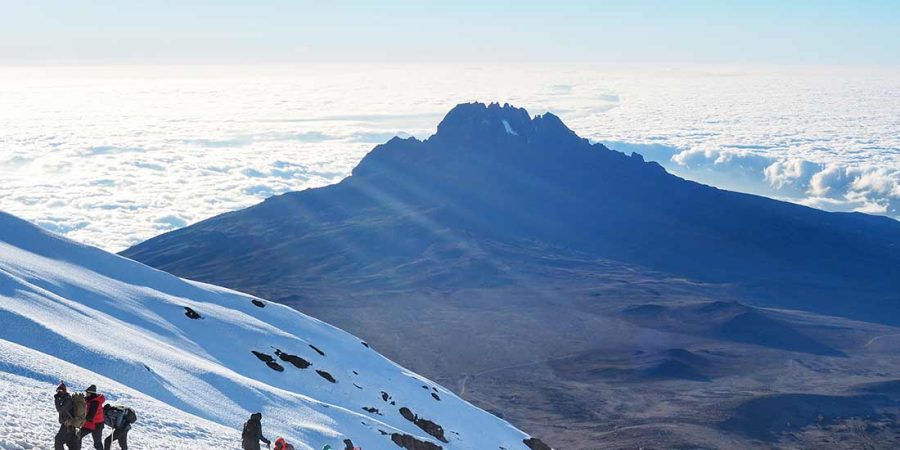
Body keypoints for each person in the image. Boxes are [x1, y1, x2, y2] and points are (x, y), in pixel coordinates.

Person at [54, 382, 81, 450]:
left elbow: (59, 409)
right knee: (70, 442)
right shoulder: (64, 398)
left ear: (64, 391)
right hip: (69, 424)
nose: (59, 392)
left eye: (61, 390)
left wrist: (56, 400)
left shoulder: (68, 399)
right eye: (58, 390)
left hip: (68, 424)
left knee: (58, 440)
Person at [79, 385, 106, 450]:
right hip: (89, 424)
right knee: (77, 437)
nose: (86, 394)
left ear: (91, 393)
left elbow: (90, 417)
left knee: (97, 443)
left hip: (97, 425)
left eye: (87, 393)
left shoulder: (95, 402)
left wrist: (80, 418)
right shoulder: (89, 399)